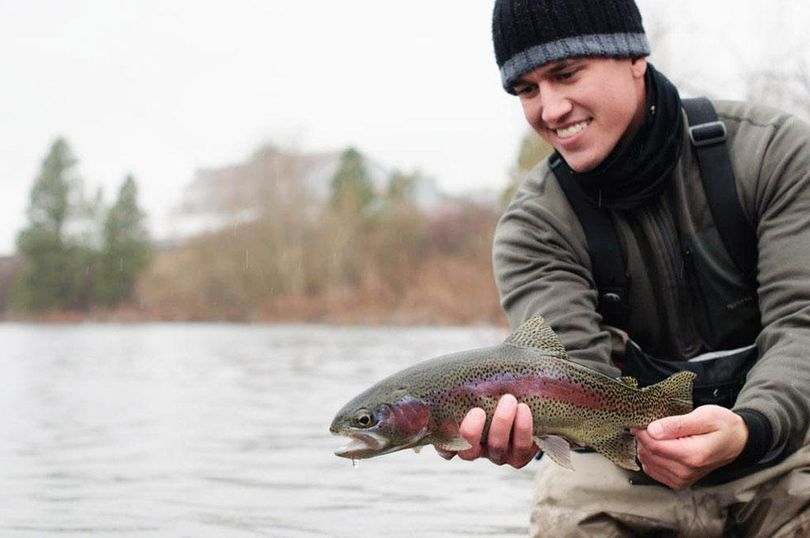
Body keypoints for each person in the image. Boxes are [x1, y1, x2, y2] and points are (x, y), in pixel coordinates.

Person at [436, 0, 810, 535]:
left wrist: (750, 428)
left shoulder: (775, 153)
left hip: (782, 447)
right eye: (527, 90)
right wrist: (530, 425)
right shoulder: (534, 227)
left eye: (566, 74)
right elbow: (566, 374)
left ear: (634, 55)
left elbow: (803, 324)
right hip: (622, 468)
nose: (550, 107)